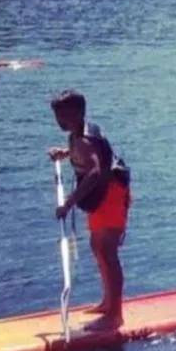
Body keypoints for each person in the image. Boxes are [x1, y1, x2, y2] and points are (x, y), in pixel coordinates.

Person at [48, 90, 131, 331]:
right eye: (57, 117)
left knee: (108, 250)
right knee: (97, 247)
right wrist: (65, 154)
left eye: (64, 116)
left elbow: (94, 171)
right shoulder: (79, 133)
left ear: (78, 113)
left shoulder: (84, 139)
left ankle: (115, 315)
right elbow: (88, 156)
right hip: (101, 196)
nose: (60, 122)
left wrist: (69, 203)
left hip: (112, 194)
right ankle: (107, 303)